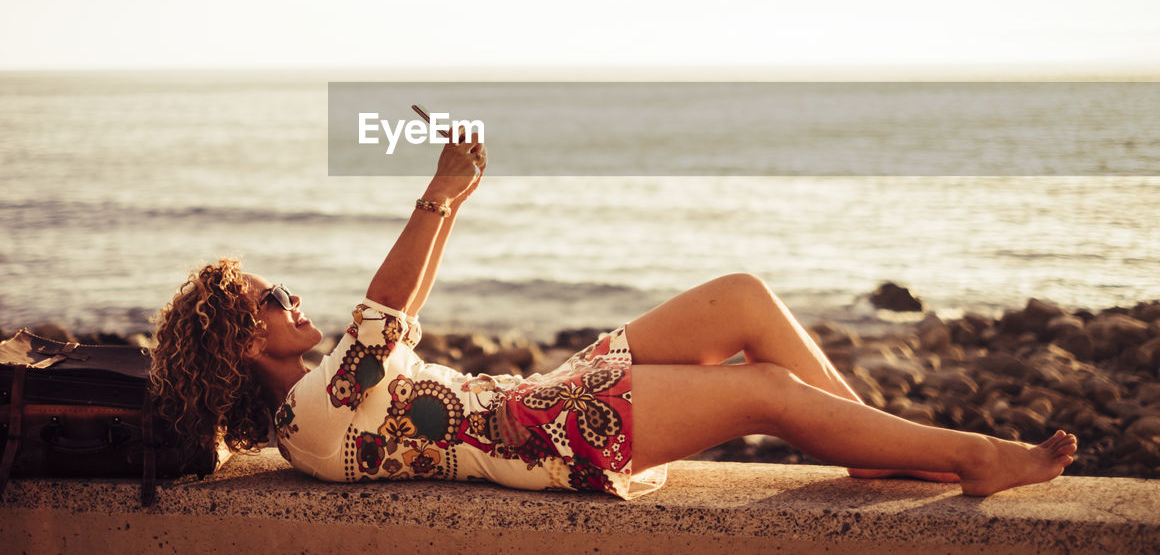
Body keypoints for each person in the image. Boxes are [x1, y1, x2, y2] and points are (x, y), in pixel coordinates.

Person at [150, 131, 1077, 499]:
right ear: (240, 338)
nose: (292, 300)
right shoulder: (310, 417)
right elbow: (383, 315)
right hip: (554, 439)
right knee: (763, 390)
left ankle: (872, 445)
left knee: (742, 297)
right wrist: (439, 192)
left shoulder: (321, 394)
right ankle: (971, 456)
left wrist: (455, 197)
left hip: (547, 395)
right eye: (273, 299)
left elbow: (388, 322)